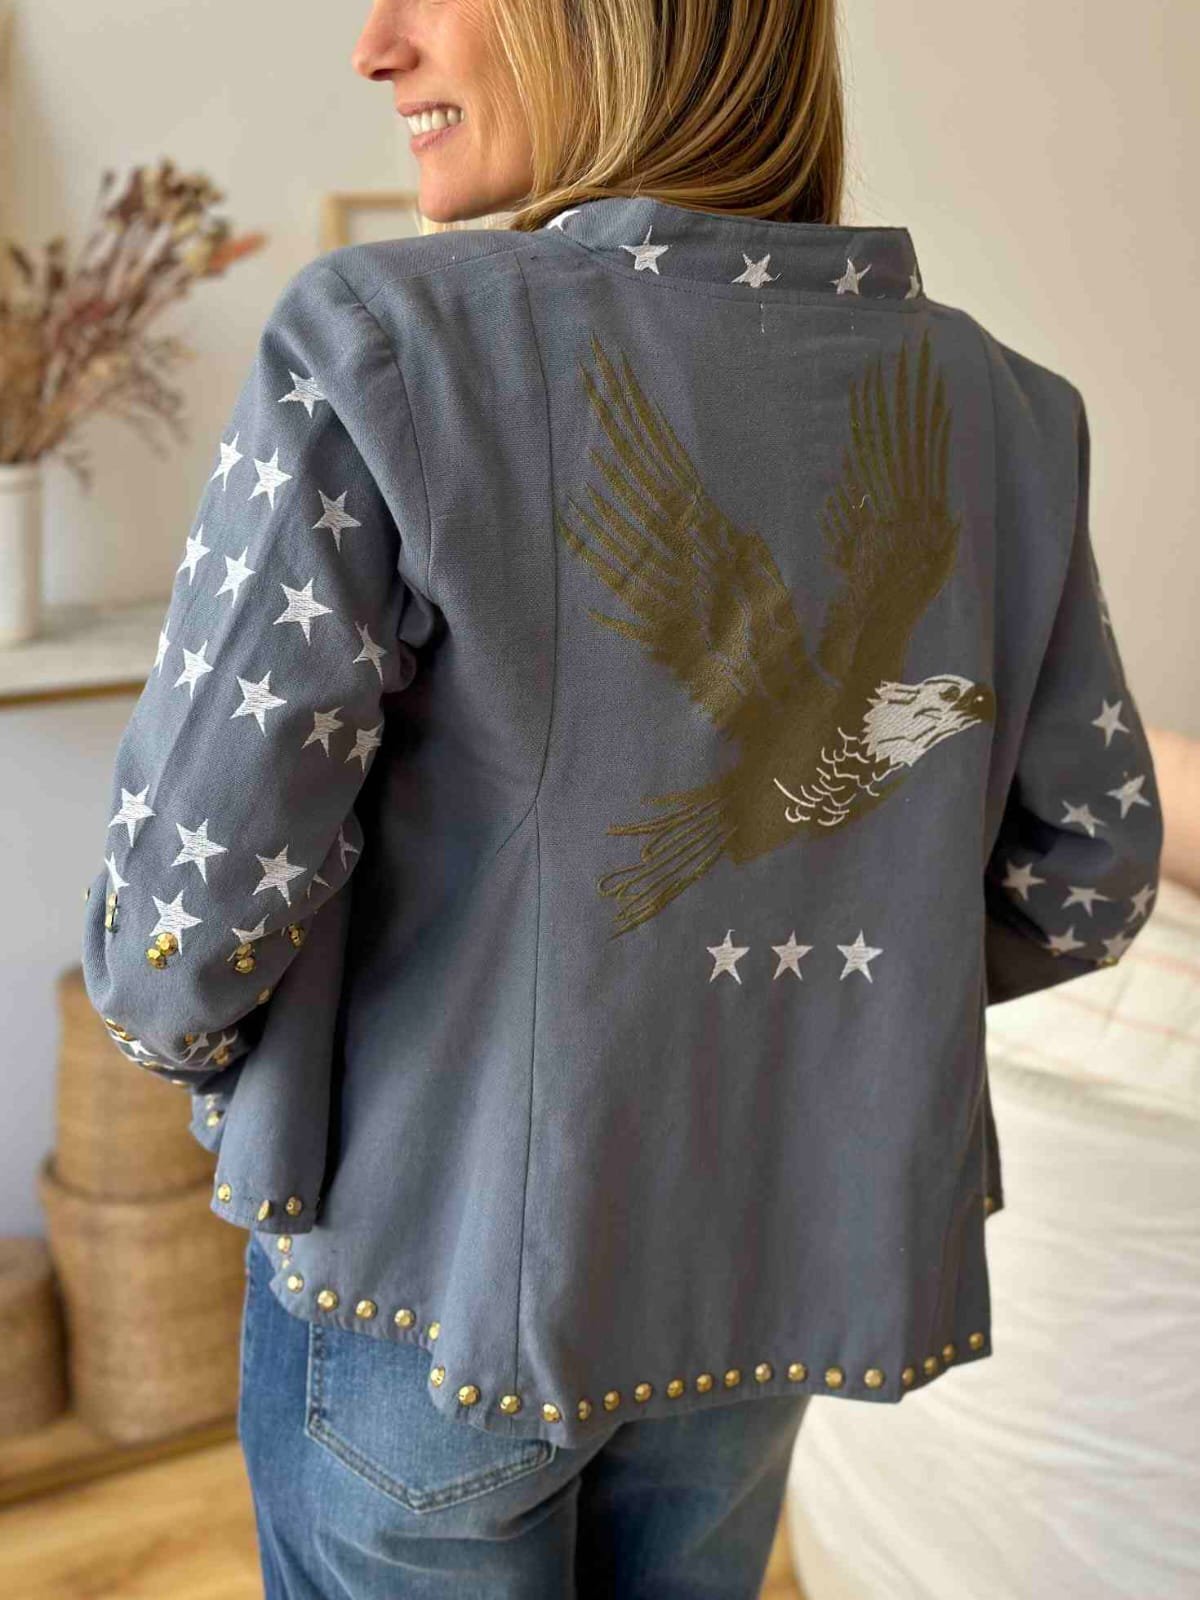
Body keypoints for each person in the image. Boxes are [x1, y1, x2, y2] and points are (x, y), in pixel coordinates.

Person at [79, 1, 1165, 1595]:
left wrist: (253, 1070)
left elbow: (178, 932)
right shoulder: (1013, 409)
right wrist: (800, 1016)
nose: (375, 43)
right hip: (762, 1273)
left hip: (435, 1279)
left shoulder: (384, 339)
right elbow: (1091, 872)